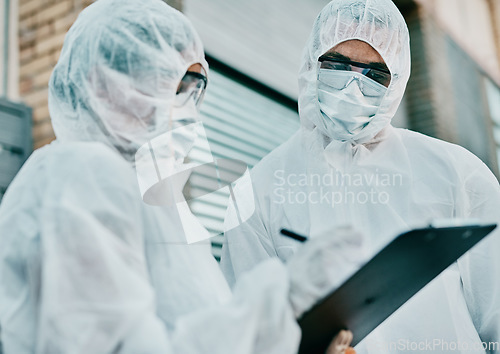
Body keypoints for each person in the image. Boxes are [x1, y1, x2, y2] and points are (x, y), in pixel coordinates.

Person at [0, 0, 356, 353]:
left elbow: (199, 332)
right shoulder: (79, 174)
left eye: (195, 89)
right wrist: (280, 303)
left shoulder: (164, 210)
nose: (186, 108)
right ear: (102, 85)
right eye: (170, 82)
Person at [221, 0, 500, 353]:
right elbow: (247, 331)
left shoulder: (457, 174)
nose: (353, 87)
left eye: (374, 74)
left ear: (397, 81)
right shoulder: (258, 191)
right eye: (337, 65)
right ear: (312, 62)